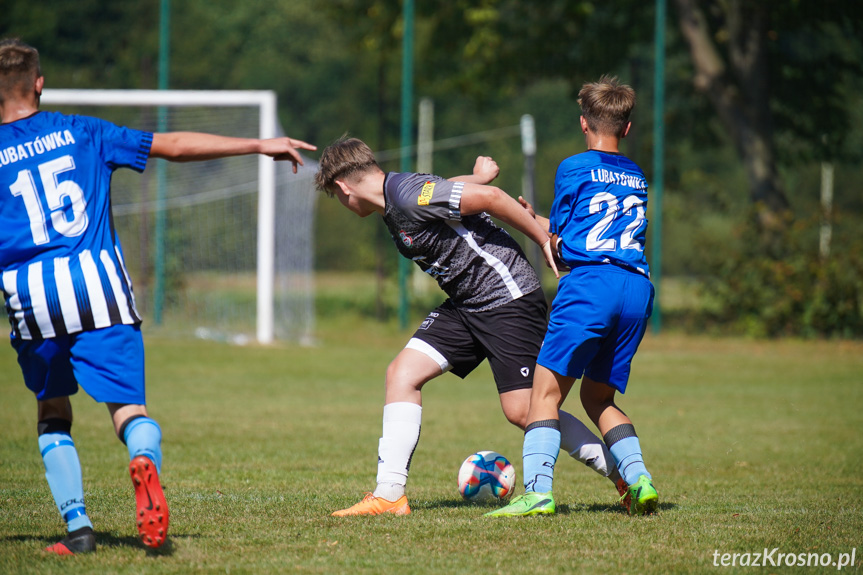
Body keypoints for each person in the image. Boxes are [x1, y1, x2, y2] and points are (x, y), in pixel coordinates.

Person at [0, 38, 316, 554]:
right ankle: (141, 457)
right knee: (129, 409)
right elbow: (174, 146)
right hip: (97, 281)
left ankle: (78, 530)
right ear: (39, 84)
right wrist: (258, 144)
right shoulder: (83, 131)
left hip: (32, 294)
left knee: (52, 409)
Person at [314, 136, 629, 517]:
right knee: (402, 374)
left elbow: (495, 199)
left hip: (508, 299)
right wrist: (476, 177)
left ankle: (621, 473)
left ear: (344, 186)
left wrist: (544, 240)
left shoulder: (406, 194)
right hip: (466, 305)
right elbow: (445, 191)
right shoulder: (398, 196)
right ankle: (389, 495)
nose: (343, 204)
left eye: (336, 195)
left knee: (523, 410)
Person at [487, 75, 658, 518]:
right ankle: (640, 482)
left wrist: (539, 228)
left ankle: (537, 493)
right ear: (627, 128)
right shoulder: (638, 175)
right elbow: (605, 231)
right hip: (636, 288)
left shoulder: (573, 168)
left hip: (591, 287)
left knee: (543, 397)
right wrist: (539, 219)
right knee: (599, 398)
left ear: (584, 123)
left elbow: (561, 245)